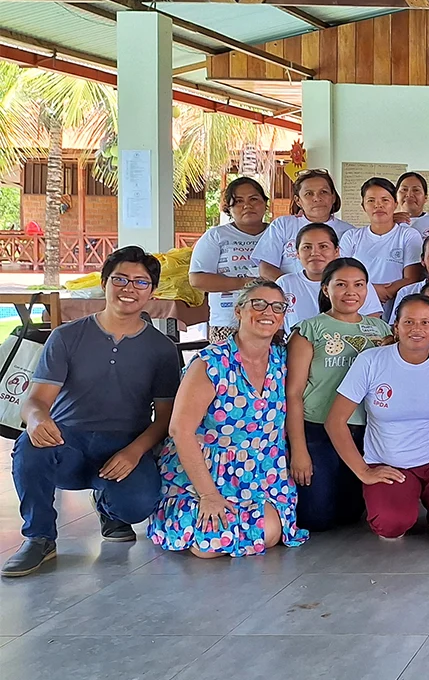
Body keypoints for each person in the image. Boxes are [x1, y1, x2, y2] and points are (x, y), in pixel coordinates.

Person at [5, 247, 180, 577]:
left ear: (152, 292)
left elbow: (166, 418)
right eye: (120, 279)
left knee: (137, 506)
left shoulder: (162, 349)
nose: (129, 288)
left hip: (124, 446)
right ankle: (39, 537)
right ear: (104, 283)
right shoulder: (67, 336)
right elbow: (35, 401)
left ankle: (109, 508)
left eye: (140, 282)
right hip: (68, 442)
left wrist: (135, 451)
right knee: (29, 448)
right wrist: (38, 419)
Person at [147, 281, 308, 557]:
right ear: (239, 311)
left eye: (277, 307)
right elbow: (180, 431)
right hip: (206, 471)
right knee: (209, 546)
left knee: (268, 532)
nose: (267, 312)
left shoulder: (283, 360)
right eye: (258, 304)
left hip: (262, 472)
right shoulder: (211, 362)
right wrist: (208, 495)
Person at [326, 294, 429, 546]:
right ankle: (406, 504)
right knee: (391, 524)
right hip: (390, 462)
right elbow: (335, 421)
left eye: (425, 322)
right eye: (408, 322)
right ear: (396, 327)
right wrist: (364, 471)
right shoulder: (371, 361)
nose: (416, 329)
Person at [286, 258, 391, 531]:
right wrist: (299, 450)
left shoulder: (382, 330)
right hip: (317, 429)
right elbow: (293, 393)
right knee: (316, 518)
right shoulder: (309, 329)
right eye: (341, 285)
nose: (351, 292)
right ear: (325, 289)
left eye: (359, 285)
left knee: (350, 514)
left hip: (365, 431)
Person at [190, 176, 269, 345]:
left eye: (254, 199)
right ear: (229, 208)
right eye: (239, 201)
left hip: (273, 321)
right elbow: (197, 280)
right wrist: (246, 283)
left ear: (265, 203)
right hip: (228, 323)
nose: (247, 206)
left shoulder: (278, 233)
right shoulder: (215, 236)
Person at [339, 177, 423, 314]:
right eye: (371, 200)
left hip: (397, 310)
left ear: (395, 204)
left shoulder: (408, 235)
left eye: (385, 200)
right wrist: (372, 291)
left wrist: (386, 291)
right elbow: (341, 276)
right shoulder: (351, 237)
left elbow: (412, 279)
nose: (378, 205)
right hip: (358, 310)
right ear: (363, 206)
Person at [276, 223, 382, 328]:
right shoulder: (285, 283)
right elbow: (277, 328)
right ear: (297, 253)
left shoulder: (357, 281)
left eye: (323, 246)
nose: (315, 253)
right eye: (307, 247)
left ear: (336, 251)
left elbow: (372, 325)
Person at [253, 169, 353, 278]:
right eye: (309, 194)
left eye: (324, 192)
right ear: (298, 201)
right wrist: (292, 286)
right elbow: (266, 268)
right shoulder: (283, 225)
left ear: (333, 197)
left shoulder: (349, 232)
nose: (317, 198)